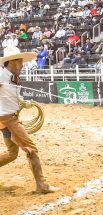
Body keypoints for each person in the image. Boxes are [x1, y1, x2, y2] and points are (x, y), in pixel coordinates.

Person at [0, 46, 59, 193]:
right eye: (20, 62)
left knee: (12, 154)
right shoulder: (1, 76)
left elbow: (10, 96)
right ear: (12, 62)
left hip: (8, 119)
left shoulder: (13, 77)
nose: (22, 65)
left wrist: (21, 101)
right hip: (8, 119)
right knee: (31, 149)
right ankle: (42, 185)